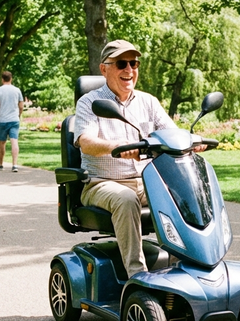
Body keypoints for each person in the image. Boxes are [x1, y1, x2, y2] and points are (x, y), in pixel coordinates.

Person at [74, 40, 178, 277]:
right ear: (104, 69)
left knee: (180, 193)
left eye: (134, 63)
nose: (129, 70)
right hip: (101, 183)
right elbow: (86, 142)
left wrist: (193, 140)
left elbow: (171, 133)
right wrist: (116, 147)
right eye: (122, 63)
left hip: (144, 181)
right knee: (126, 198)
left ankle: (179, 267)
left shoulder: (147, 102)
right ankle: (137, 276)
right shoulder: (90, 103)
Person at [0, 71, 24, 172]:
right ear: (11, 79)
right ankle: (15, 165)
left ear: (2, 79)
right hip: (14, 119)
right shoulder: (17, 90)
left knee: (2, 142)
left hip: (2, 120)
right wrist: (19, 114)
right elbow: (21, 105)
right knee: (14, 141)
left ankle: (1, 163)